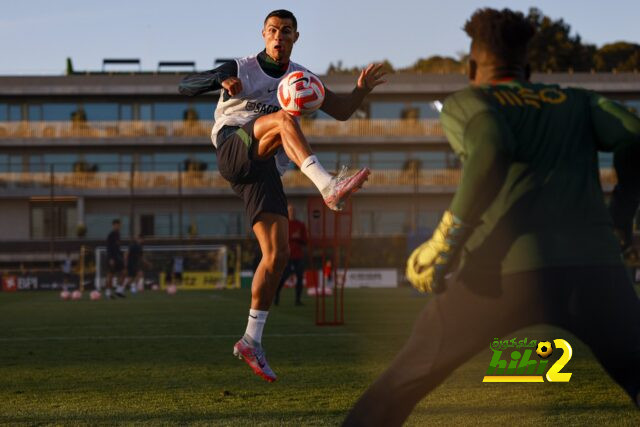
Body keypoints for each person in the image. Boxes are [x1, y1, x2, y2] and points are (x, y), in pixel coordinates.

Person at [344, 8, 640, 425]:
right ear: (530, 69)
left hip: (498, 276)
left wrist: (446, 238)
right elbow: (634, 135)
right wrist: (622, 214)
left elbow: (492, 147)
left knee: (395, 390)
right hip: (596, 272)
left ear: (471, 67)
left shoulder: (469, 100)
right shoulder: (577, 99)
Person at [179, 9, 386, 383]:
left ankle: (250, 341)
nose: (278, 36)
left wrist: (363, 89)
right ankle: (327, 185)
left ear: (295, 37)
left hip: (264, 170)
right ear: (263, 34)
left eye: (286, 31)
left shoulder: (300, 78)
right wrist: (219, 77)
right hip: (232, 148)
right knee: (284, 119)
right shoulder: (241, 67)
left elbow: (340, 111)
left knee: (277, 256)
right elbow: (185, 86)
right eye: (272, 30)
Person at [274, 204, 308, 306]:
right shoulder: (283, 224)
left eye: (293, 210)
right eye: (289, 210)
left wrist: (298, 238)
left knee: (300, 277)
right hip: (286, 256)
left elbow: (305, 240)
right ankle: (276, 295)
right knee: (283, 276)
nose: (291, 212)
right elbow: (279, 239)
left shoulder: (300, 225)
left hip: (298, 256)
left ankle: (298, 300)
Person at [105, 219, 126, 299]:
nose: (118, 226)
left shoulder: (118, 234)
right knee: (110, 275)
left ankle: (119, 291)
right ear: (113, 225)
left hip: (118, 258)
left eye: (119, 225)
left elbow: (117, 247)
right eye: (116, 225)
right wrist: (111, 258)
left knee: (124, 272)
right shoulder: (111, 235)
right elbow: (109, 247)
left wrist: (121, 255)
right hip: (112, 258)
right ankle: (108, 293)